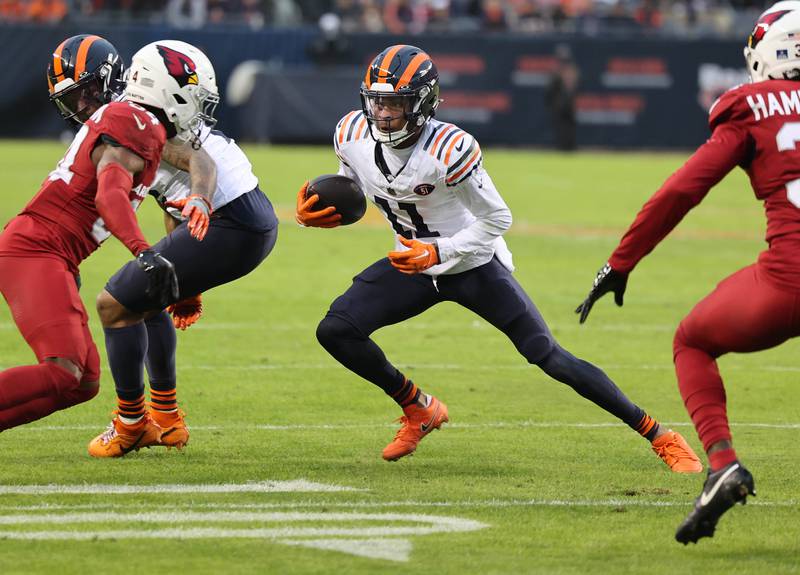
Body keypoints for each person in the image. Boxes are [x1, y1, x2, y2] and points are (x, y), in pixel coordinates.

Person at [296, 44, 702, 471]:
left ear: (423, 103)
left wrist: (440, 250)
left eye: (395, 104)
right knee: (336, 330)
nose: (382, 114)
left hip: (472, 263)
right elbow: (352, 187)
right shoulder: (350, 134)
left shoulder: (450, 148)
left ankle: (660, 435)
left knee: (549, 356)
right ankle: (419, 408)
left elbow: (497, 219)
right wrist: (324, 213)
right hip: (410, 263)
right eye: (377, 102)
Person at [575, 2, 800, 544]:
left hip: (790, 277)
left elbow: (683, 189)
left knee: (691, 341)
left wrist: (621, 260)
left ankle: (721, 463)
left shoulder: (756, 105)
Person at [84, 40, 279, 458]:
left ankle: (132, 424)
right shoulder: (141, 118)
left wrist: (200, 204)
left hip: (231, 221)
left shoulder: (139, 121)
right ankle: (167, 420)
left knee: (112, 304)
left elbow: (198, 165)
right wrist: (181, 271)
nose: (199, 108)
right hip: (244, 221)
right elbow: (168, 198)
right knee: (145, 300)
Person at [0, 40, 180, 433]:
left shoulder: (130, 122)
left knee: (83, 384)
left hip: (48, 253)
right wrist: (143, 252)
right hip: (37, 250)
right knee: (64, 371)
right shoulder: (127, 119)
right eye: (73, 99)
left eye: (87, 94)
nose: (82, 107)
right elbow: (109, 193)